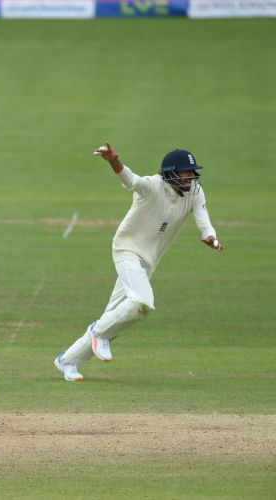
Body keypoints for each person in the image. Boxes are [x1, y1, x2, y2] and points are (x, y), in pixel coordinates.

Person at [54, 143, 223, 382]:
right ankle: (97, 333)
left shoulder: (195, 192)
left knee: (115, 316)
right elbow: (130, 180)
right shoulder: (153, 185)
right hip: (127, 250)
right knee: (142, 303)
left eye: (191, 172)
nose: (190, 177)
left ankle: (66, 361)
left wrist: (211, 237)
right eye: (185, 172)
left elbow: (204, 220)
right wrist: (114, 161)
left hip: (147, 261)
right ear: (170, 172)